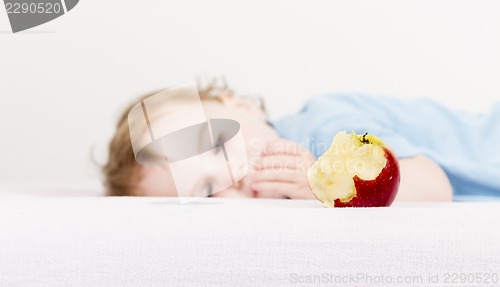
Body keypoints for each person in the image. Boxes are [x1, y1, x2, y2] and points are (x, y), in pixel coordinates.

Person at [102, 80, 500, 201]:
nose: (232, 177)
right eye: (207, 191)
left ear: (239, 103)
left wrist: (322, 186)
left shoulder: (328, 126)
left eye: (218, 145)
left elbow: (434, 186)